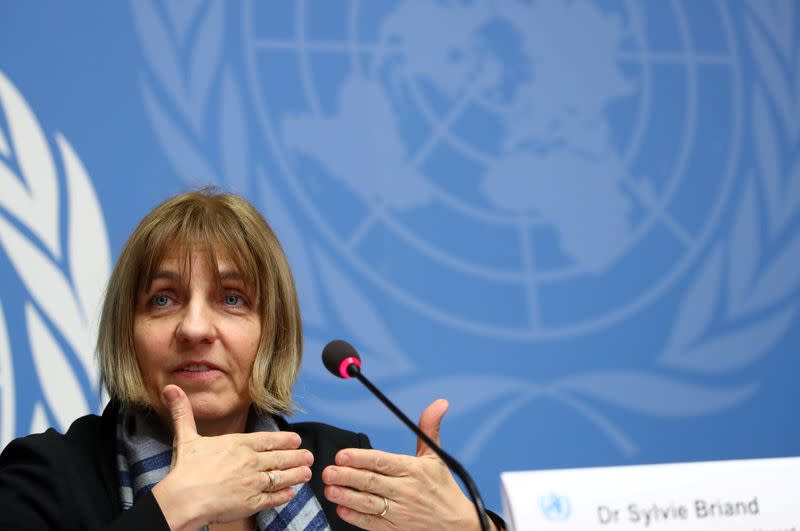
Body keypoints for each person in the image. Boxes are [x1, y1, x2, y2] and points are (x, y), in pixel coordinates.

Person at [0, 189, 504, 531]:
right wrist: (171, 509)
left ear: (271, 333)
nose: (195, 328)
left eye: (233, 299)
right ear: (126, 330)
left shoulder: (338, 471)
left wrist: (471, 528)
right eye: (162, 299)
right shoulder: (48, 477)